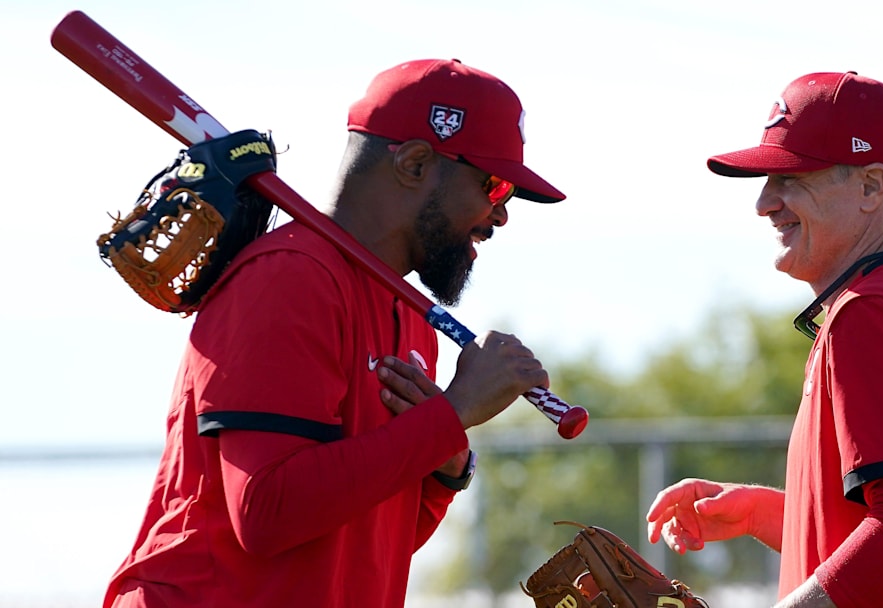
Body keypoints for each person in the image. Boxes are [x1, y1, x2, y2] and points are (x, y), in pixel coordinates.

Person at [104, 58, 566, 608]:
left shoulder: (410, 313)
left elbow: (365, 539)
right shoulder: (290, 275)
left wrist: (445, 468)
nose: (502, 215)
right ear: (416, 163)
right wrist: (452, 413)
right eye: (494, 186)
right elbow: (267, 514)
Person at [646, 72, 883, 607]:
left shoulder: (874, 314)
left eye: (791, 176)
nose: (765, 203)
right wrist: (765, 513)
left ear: (871, 187)